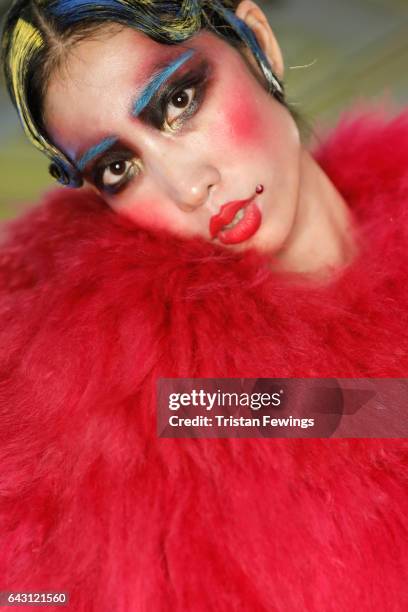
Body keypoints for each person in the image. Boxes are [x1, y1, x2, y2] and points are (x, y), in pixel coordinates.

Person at [0, 1, 407, 610]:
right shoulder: (149, 383)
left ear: (259, 45)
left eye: (178, 102)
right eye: (119, 167)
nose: (188, 186)